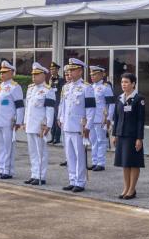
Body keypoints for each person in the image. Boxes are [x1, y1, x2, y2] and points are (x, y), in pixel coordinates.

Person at [57, 58, 95, 193]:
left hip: (79, 127)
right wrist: (60, 118)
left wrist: (88, 126)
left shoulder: (87, 87)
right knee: (70, 156)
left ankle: (80, 182)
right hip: (67, 126)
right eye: (69, 70)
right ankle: (72, 180)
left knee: (80, 156)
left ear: (80, 71)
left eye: (72, 70)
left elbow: (91, 109)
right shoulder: (66, 87)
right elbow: (63, 105)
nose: (70, 72)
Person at [111, 72, 145, 199]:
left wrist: (139, 138)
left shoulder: (138, 99)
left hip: (132, 136)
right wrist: (114, 134)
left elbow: (140, 120)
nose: (123, 84)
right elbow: (116, 117)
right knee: (124, 163)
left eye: (126, 82)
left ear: (133, 84)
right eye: (122, 82)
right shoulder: (120, 98)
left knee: (133, 163)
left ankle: (132, 189)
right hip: (121, 134)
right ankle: (126, 187)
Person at [21, 62, 56, 186]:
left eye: (36, 74)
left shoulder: (48, 90)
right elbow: (27, 108)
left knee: (41, 152)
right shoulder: (30, 88)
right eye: (33, 74)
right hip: (30, 124)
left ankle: (41, 176)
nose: (33, 77)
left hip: (40, 126)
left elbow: (50, 109)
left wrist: (48, 125)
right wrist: (25, 122)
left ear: (43, 75)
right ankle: (34, 174)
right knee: (33, 152)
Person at [0, 60, 24, 179]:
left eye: (5, 72)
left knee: (8, 147)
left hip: (8, 122)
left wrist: (18, 121)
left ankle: (8, 170)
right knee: (0, 146)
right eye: (1, 72)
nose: (2, 74)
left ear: (11, 73)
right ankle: (1, 168)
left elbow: (20, 106)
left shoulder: (15, 87)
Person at [87, 66, 115, 172]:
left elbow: (111, 104)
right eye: (91, 75)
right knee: (93, 141)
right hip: (91, 119)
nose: (92, 76)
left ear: (101, 75)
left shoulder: (105, 87)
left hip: (101, 119)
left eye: (94, 74)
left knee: (101, 141)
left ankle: (101, 163)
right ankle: (94, 162)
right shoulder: (90, 87)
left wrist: (109, 118)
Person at [48, 61, 65, 146]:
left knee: (57, 120)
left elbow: (62, 91)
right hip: (52, 101)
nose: (52, 70)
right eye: (51, 69)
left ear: (57, 70)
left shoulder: (61, 79)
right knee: (52, 120)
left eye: (53, 69)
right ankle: (52, 136)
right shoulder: (50, 79)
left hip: (58, 101)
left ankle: (57, 138)